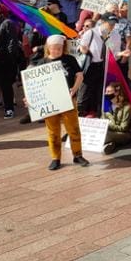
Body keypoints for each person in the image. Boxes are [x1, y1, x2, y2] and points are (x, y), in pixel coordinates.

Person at [30, 35, 90, 170]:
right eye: (54, 48)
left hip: (68, 100)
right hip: (50, 102)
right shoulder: (42, 63)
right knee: (53, 130)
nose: (57, 51)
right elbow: (34, 85)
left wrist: (74, 90)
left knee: (73, 128)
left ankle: (78, 155)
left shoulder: (70, 59)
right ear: (48, 48)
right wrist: (31, 99)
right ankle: (55, 158)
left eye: (59, 48)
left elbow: (79, 75)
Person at [103, 82, 131, 154]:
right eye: (106, 91)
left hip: (125, 134)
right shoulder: (107, 106)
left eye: (109, 92)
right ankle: (112, 144)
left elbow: (124, 128)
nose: (106, 94)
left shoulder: (127, 107)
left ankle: (112, 142)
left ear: (116, 93)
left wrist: (108, 125)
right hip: (113, 132)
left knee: (106, 135)